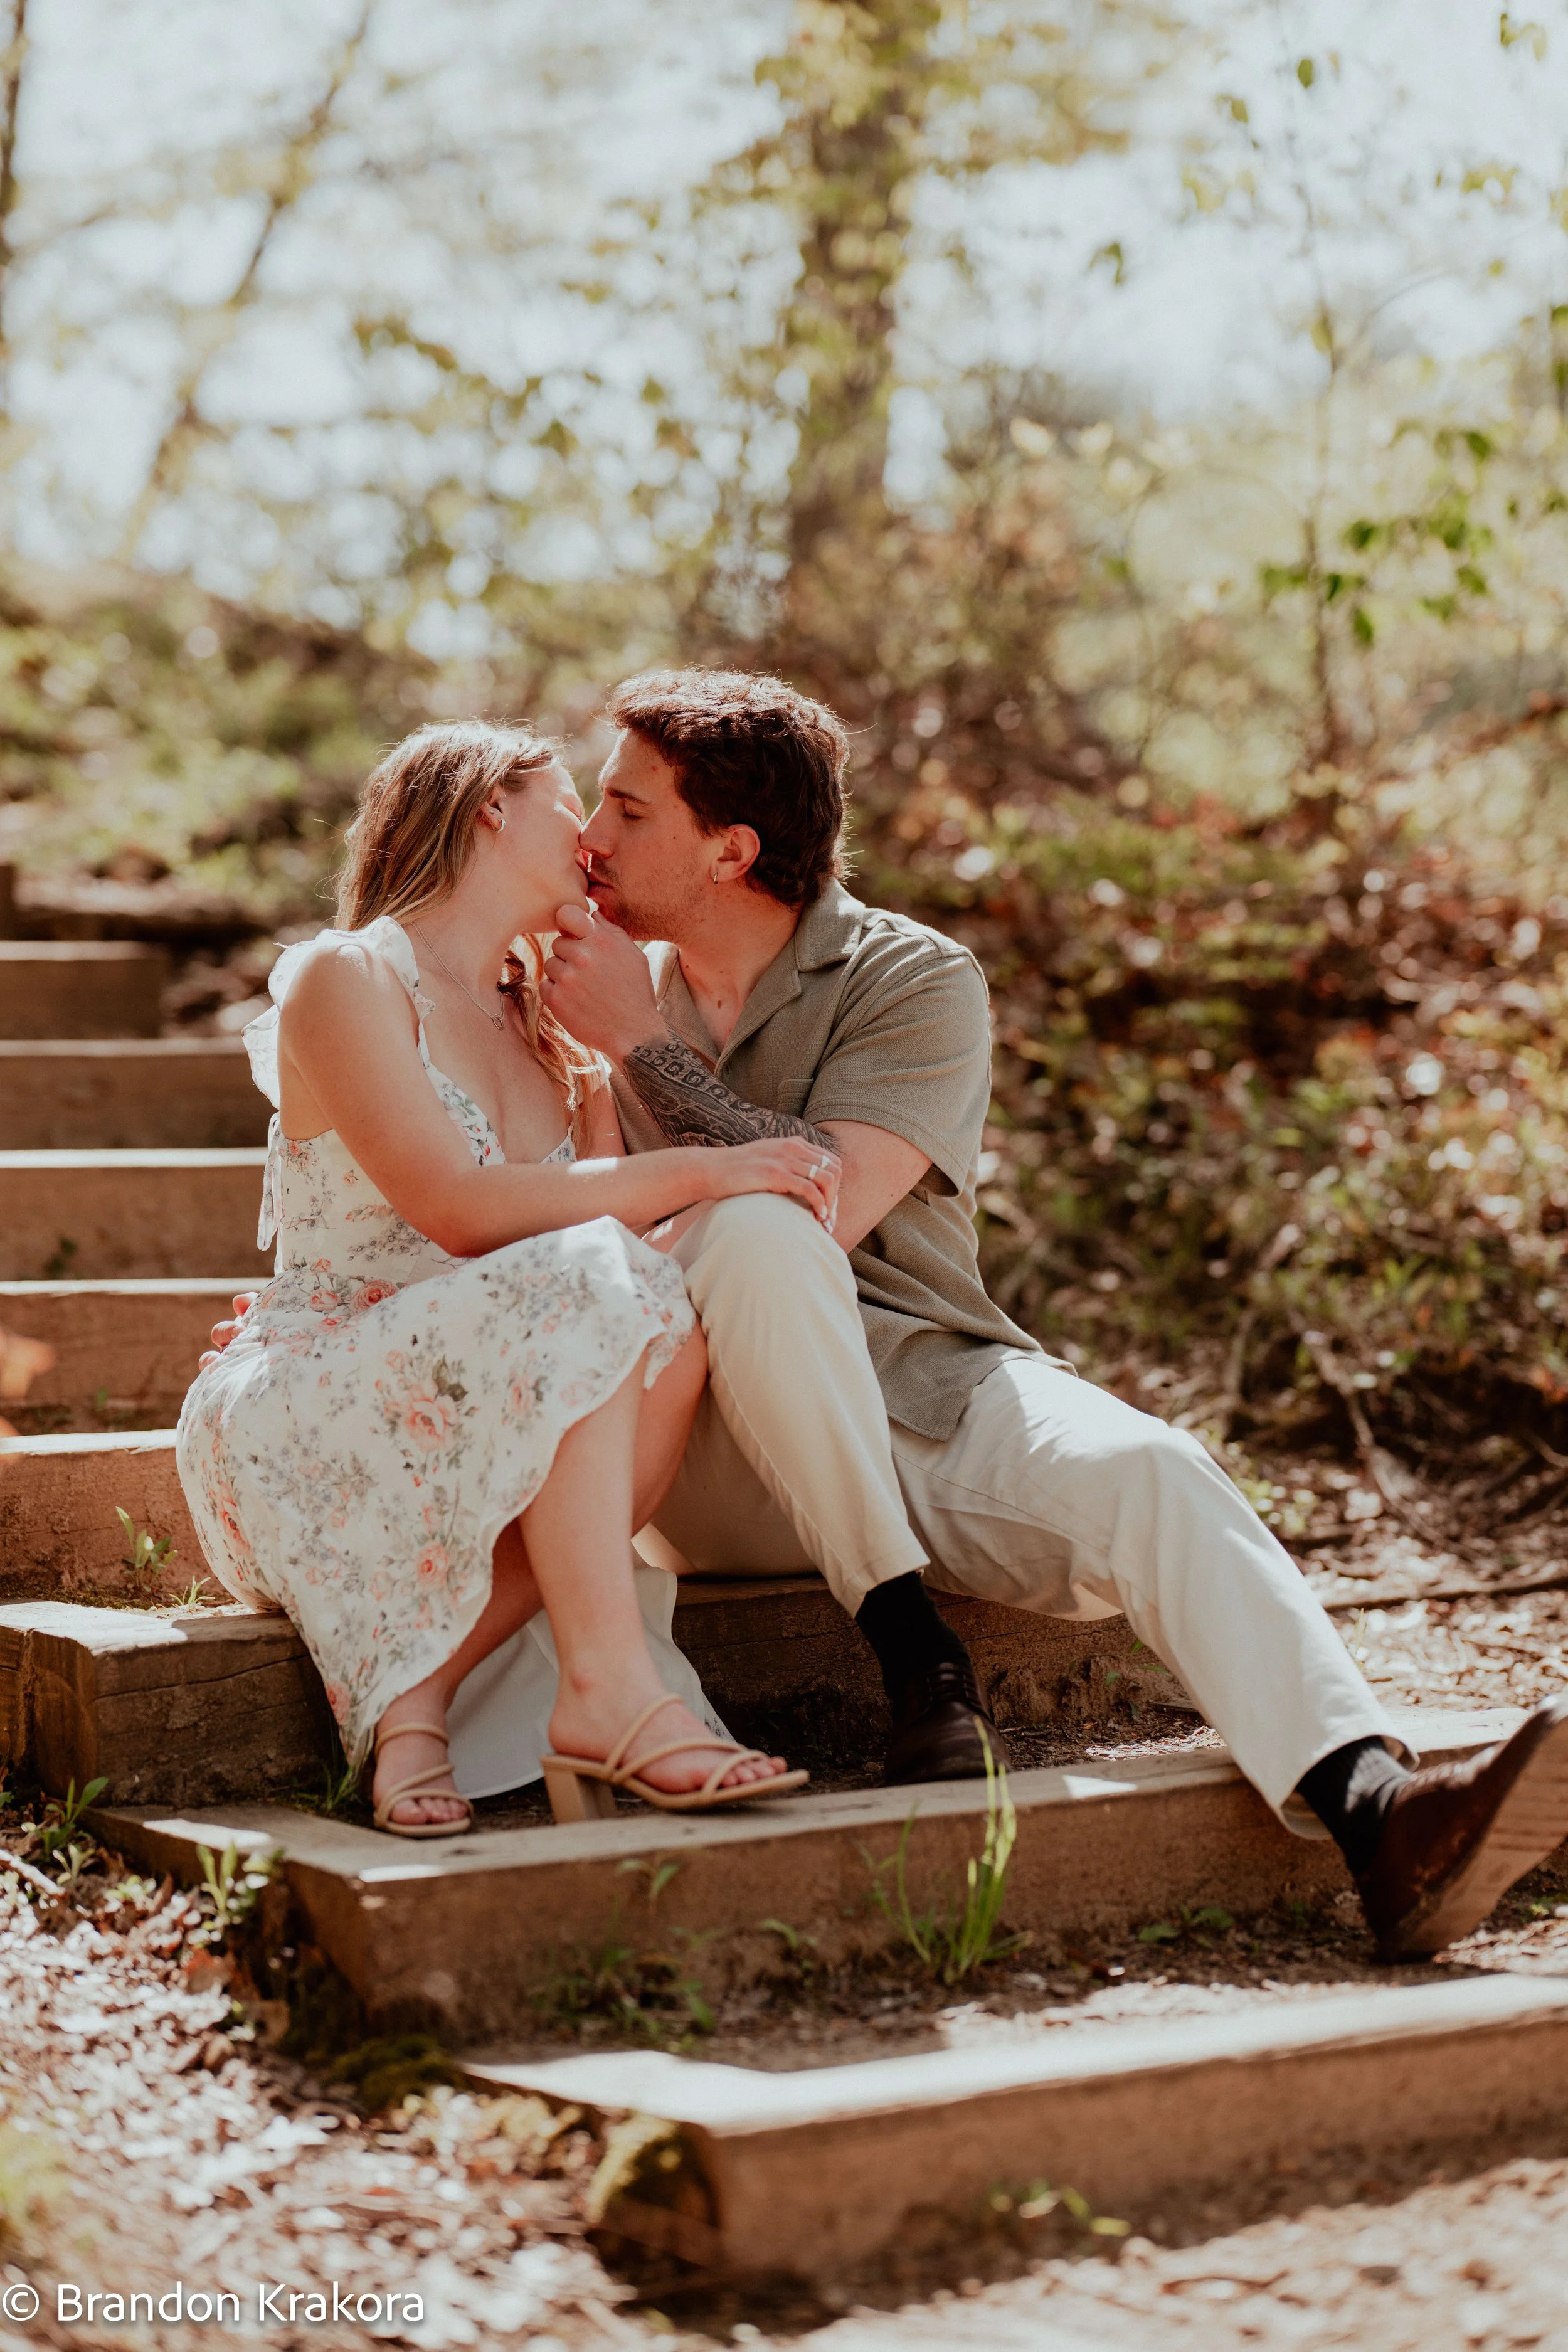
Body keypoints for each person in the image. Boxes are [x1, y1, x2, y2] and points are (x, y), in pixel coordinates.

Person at [536, 667, 1568, 1960]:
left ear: (728, 849)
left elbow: (828, 1199)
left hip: (923, 1392)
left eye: (626, 811)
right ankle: (915, 1659)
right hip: (697, 1449)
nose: (589, 837)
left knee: (1152, 1466)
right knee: (742, 1229)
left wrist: (648, 1053)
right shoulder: (586, 983)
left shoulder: (909, 979)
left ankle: (1379, 1817)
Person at [178, 720, 824, 1836]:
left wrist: (637, 1067)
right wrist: (707, 1165)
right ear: (491, 805)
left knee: (669, 1319)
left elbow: (614, 1270)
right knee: (606, 1274)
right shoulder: (349, 977)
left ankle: (425, 1696)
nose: (594, 839)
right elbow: (458, 1212)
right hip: (320, 1392)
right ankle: (613, 1692)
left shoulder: (553, 1039)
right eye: (576, 802)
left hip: (491, 1383)